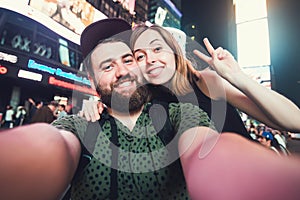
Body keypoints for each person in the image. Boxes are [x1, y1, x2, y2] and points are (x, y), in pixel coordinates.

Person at [1, 18, 300, 200]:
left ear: (173, 49)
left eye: (157, 49)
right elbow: (54, 146)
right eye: (139, 55)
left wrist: (238, 78)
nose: (150, 61)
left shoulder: (200, 84)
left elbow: (292, 121)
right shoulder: (139, 105)